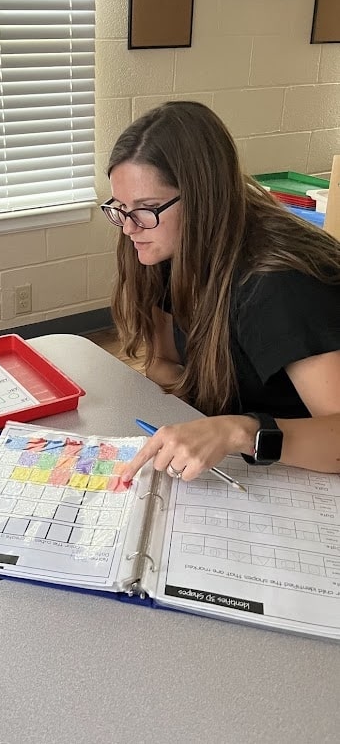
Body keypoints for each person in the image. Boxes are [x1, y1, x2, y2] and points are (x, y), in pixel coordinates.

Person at [101, 101, 340, 479]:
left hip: (307, 476)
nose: (129, 227)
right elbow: (164, 363)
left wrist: (238, 430)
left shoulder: (279, 284)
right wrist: (198, 411)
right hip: (248, 470)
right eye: (120, 207)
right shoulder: (163, 245)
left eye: (146, 207)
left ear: (201, 198)